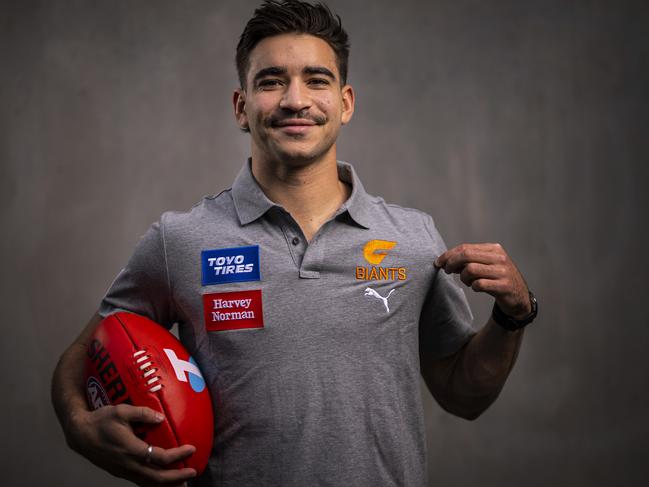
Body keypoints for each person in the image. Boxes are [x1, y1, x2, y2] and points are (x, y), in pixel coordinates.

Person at [51, 1, 537, 486]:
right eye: (271, 81)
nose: (294, 100)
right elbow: (85, 352)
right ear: (242, 107)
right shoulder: (180, 240)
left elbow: (463, 394)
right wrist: (79, 427)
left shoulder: (413, 239)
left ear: (345, 103)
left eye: (316, 80)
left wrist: (512, 316)